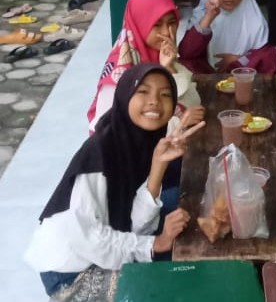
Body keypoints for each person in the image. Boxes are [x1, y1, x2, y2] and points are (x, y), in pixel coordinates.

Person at [24, 64, 205, 300]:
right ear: (124, 96)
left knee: (183, 203)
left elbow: (132, 225)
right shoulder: (99, 152)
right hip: (70, 271)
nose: (154, 101)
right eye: (143, 92)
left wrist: (158, 165)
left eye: (165, 94)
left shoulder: (142, 140)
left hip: (103, 244)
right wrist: (154, 244)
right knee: (174, 282)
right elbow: (88, 237)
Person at [87, 0, 205, 134]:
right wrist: (179, 122)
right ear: (139, 24)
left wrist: (170, 68)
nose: (166, 32)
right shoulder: (119, 72)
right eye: (157, 24)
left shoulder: (161, 54)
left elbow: (194, 102)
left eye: (171, 23)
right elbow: (113, 132)